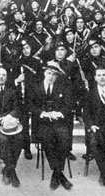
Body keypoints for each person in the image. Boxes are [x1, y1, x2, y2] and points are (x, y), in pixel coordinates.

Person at [29, 61, 74, 191]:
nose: (51, 77)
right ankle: (60, 174)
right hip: (41, 123)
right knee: (47, 139)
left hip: (58, 122)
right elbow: (30, 105)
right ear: (44, 73)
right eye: (49, 73)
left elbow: (69, 105)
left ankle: (56, 173)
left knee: (64, 138)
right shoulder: (35, 87)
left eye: (54, 75)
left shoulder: (63, 88)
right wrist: (43, 113)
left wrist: (58, 113)